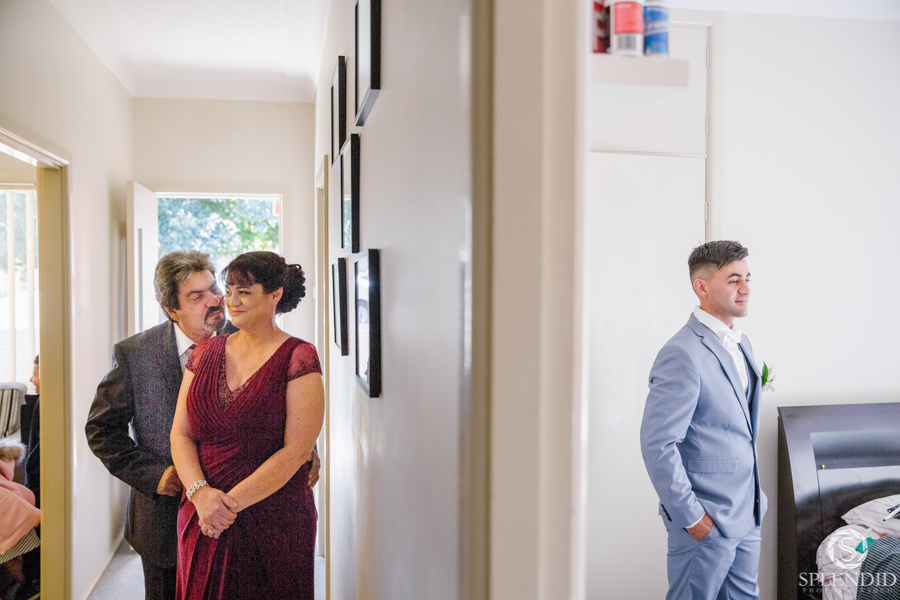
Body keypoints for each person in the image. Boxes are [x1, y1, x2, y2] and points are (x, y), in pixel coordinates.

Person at [85, 250, 321, 600]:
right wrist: (161, 477)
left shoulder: (255, 333)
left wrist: (306, 449)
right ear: (172, 309)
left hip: (260, 509)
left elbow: (283, 417)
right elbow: (101, 431)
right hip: (167, 518)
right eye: (197, 296)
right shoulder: (136, 354)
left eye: (214, 289)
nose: (217, 301)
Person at [170, 251, 324, 599]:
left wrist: (226, 507)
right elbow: (181, 433)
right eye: (228, 290)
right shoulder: (203, 353)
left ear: (274, 295)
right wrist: (201, 496)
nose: (231, 301)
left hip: (273, 517)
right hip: (202, 514)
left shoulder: (299, 356)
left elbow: (296, 450)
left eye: (244, 292)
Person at [640, 240, 767, 600]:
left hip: (748, 513)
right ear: (702, 286)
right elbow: (658, 443)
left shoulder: (743, 344)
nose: (745, 288)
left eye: (747, 278)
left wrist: (756, 502)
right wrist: (692, 517)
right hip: (706, 519)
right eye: (733, 280)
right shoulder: (682, 353)